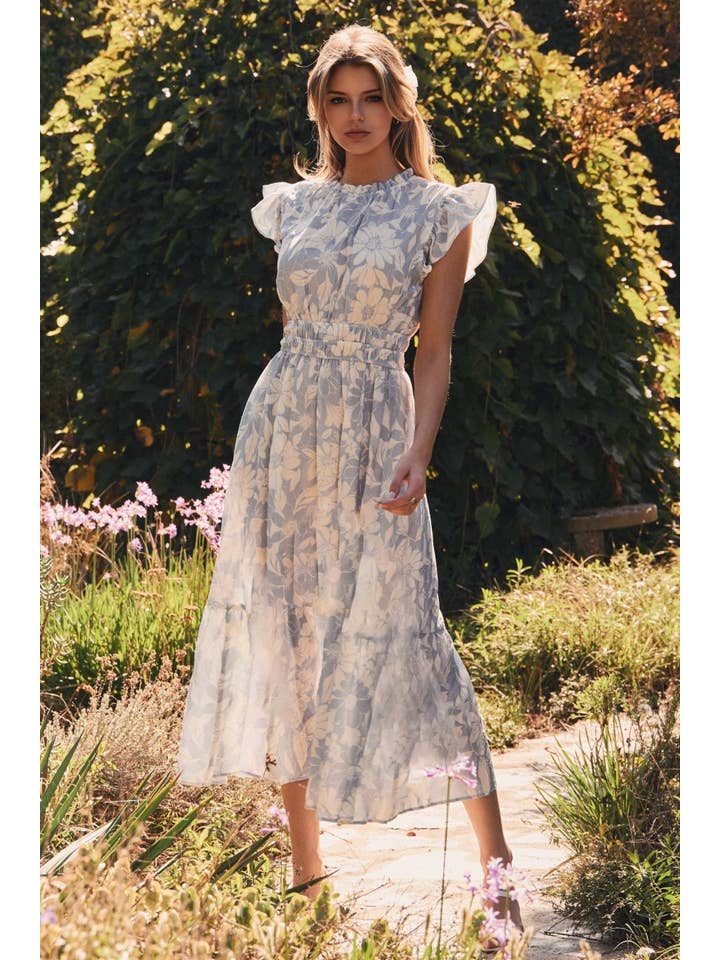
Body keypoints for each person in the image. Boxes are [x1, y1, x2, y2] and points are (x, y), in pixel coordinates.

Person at [175, 22, 522, 934]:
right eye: (340, 99)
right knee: (287, 636)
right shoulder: (293, 206)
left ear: (398, 105)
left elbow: (435, 350)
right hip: (285, 424)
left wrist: (419, 448)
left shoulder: (439, 211)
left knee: (414, 628)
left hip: (376, 428)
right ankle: (306, 873)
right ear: (321, 109)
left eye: (372, 98)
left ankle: (498, 878)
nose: (356, 115)